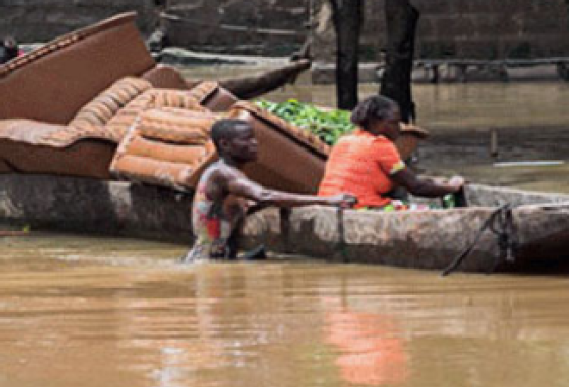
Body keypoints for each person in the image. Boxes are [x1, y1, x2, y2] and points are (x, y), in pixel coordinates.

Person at [185, 117, 356, 262]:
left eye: (254, 138)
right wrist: (327, 200)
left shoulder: (229, 174)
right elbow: (264, 195)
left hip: (217, 259)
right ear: (225, 145)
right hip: (208, 261)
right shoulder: (223, 174)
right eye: (246, 139)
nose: (255, 143)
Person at [319, 95, 465, 210]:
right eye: (393, 122)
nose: (399, 128)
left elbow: (399, 178)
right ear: (376, 123)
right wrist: (452, 186)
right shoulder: (380, 145)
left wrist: (433, 182)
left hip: (327, 205)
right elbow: (416, 187)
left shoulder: (343, 140)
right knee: (431, 211)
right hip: (360, 207)